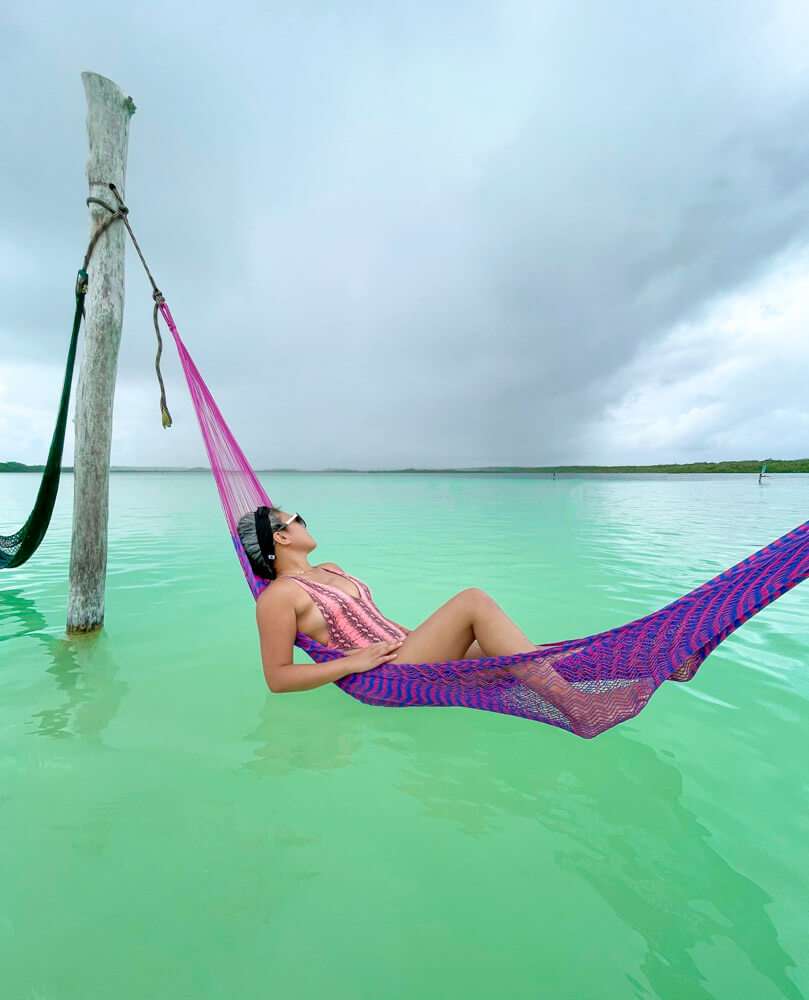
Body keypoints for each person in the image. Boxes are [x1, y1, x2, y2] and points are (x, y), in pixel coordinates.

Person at [237, 506, 653, 735]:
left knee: (525, 654)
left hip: (407, 650)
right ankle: (580, 709)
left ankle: (653, 662)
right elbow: (277, 677)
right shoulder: (277, 598)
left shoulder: (331, 567)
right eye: (296, 518)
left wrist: (422, 636)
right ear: (281, 537)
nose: (304, 521)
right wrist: (352, 663)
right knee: (473, 602)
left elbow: (375, 619)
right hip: (382, 676)